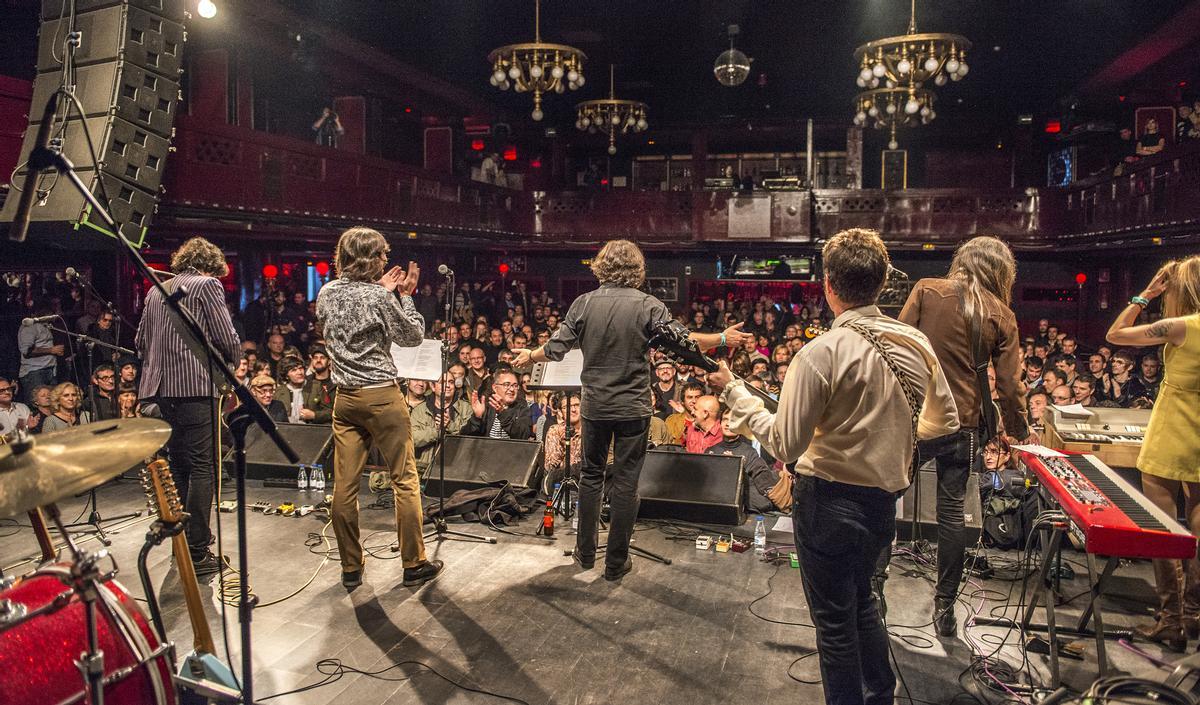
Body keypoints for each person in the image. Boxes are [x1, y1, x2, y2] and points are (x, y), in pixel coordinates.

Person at [709, 228, 959, 705]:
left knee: (834, 625)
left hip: (826, 503)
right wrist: (889, 440)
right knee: (863, 598)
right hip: (883, 502)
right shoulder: (915, 343)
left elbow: (785, 440)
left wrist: (736, 393)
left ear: (827, 284)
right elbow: (945, 420)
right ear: (883, 281)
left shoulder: (820, 353)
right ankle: (880, 693)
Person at [513, 239, 752, 582]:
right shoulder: (648, 305)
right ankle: (615, 563)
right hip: (633, 409)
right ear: (637, 269)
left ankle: (584, 555)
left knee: (590, 478)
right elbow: (683, 342)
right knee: (625, 483)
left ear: (601, 266)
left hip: (595, 407)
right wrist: (722, 339)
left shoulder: (583, 304)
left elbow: (556, 348)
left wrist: (531, 355)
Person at [894, 236, 1035, 637]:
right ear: (1000, 271)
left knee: (886, 495)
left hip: (917, 418)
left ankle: (873, 587)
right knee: (952, 512)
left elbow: (897, 346)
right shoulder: (1002, 314)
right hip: (964, 424)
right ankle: (944, 607)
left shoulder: (927, 290)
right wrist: (1021, 431)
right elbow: (1009, 386)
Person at [316, 226, 441, 589]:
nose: (387, 260)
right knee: (404, 479)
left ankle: (351, 567)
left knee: (344, 485)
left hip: (344, 398)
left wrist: (381, 291)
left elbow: (352, 313)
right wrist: (405, 296)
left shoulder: (326, 292)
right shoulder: (380, 297)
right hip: (382, 397)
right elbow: (412, 336)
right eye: (382, 256)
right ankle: (414, 563)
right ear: (371, 259)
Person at [1106, 256, 1200, 651]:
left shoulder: (1181, 327)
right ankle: (1194, 614)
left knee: (1162, 526)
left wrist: (1145, 294)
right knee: (1197, 526)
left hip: (1174, 427)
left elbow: (1117, 333)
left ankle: (1172, 619)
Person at [135, 237, 240, 577]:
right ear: (212, 266)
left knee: (177, 466)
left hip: (157, 393)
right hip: (194, 389)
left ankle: (181, 545)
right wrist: (232, 364)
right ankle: (197, 551)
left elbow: (140, 343)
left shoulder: (155, 290)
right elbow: (225, 338)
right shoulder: (206, 285)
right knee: (202, 468)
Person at [706, 407, 782, 514]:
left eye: (733, 420)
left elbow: (765, 484)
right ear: (720, 423)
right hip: (717, 503)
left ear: (740, 425)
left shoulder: (749, 452)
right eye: (725, 419)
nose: (727, 424)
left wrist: (737, 467)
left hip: (745, 504)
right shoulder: (712, 451)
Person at [410, 372, 471, 475]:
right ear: (433, 387)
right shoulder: (419, 410)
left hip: (457, 469)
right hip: (424, 469)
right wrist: (437, 431)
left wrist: (450, 426)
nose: (447, 385)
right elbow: (413, 439)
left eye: (451, 382)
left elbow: (469, 439)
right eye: (443, 382)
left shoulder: (466, 408)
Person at [463, 368, 533, 439]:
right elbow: (466, 437)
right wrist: (477, 418)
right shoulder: (487, 406)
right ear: (495, 388)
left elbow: (523, 435)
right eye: (506, 385)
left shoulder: (522, 407)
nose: (512, 389)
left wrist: (502, 413)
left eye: (515, 385)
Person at [17, 313, 62, 405]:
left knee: (53, 404)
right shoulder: (29, 327)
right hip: (34, 372)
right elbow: (26, 351)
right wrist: (51, 350)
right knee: (36, 405)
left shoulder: (47, 326)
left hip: (50, 370)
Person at [300, 344, 335, 424]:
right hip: (307, 428)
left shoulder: (335, 383)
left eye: (322, 358)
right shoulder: (306, 381)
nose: (318, 360)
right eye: (315, 358)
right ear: (312, 361)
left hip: (329, 429)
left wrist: (314, 415)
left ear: (329, 361)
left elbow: (338, 411)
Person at [664, 380, 705, 445]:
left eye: (697, 397)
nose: (694, 401)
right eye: (690, 397)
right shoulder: (672, 421)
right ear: (682, 402)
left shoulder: (709, 420)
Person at [275, 357, 308, 423]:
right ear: (286, 376)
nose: (299, 372)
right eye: (294, 370)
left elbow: (329, 411)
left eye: (300, 368)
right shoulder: (279, 392)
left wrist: (314, 415)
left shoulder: (315, 386)